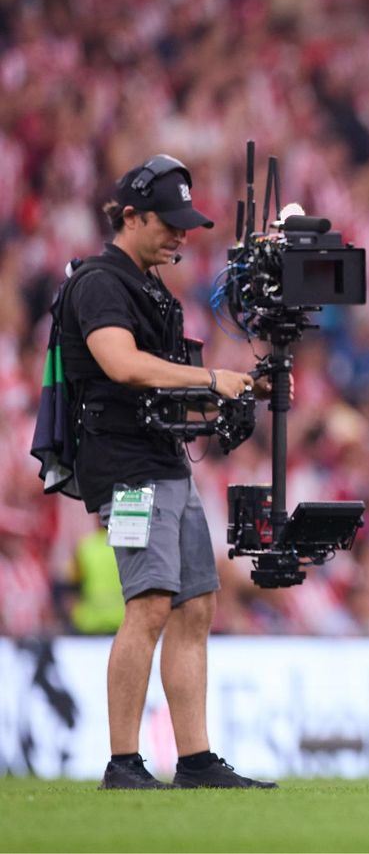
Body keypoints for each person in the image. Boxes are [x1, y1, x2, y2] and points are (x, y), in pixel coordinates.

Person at [56, 156, 273, 789]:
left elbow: (157, 386)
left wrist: (234, 395)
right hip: (125, 467)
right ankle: (124, 761)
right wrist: (211, 379)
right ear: (130, 216)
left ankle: (196, 759)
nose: (181, 235)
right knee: (148, 604)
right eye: (169, 223)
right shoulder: (98, 282)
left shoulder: (149, 286)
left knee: (195, 605)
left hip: (163, 460)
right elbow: (121, 365)